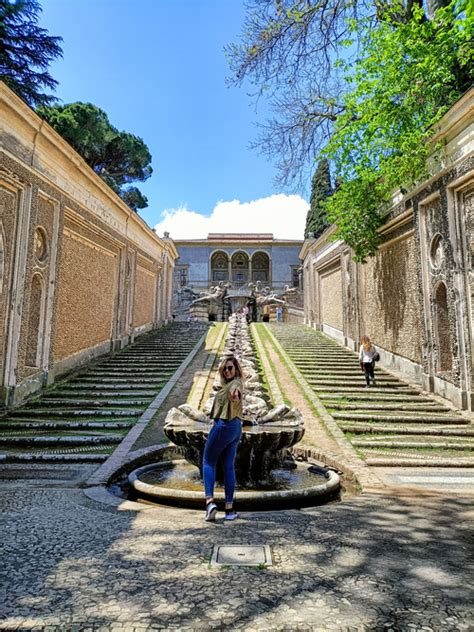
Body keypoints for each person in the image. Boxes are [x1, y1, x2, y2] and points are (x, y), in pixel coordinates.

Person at [203, 355, 243, 522]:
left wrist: (234, 396)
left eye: (230, 368)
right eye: (225, 368)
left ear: (236, 370)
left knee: (208, 461)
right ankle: (229, 509)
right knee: (228, 466)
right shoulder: (230, 383)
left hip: (224, 426)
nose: (227, 371)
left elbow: (236, 394)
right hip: (235, 428)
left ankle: (210, 502)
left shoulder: (236, 383)